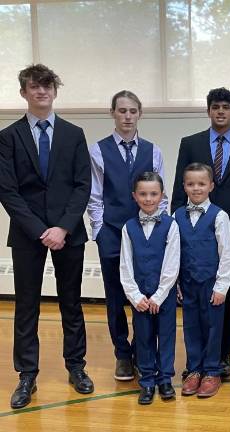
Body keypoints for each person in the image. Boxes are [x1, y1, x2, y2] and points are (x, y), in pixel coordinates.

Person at [0, 64, 93, 409]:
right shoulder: (8, 137)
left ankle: (76, 367)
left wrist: (63, 227)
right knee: (27, 306)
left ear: (55, 91)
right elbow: (8, 191)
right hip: (28, 234)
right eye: (34, 87)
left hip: (68, 232)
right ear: (23, 92)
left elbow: (83, 185)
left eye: (47, 86)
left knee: (71, 302)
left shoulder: (74, 134)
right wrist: (41, 230)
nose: (41, 92)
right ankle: (26, 376)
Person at [171, 87, 230, 378]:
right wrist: (174, 228)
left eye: (226, 107)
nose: (220, 111)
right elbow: (177, 190)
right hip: (195, 231)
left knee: (227, 297)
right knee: (195, 301)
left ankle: (220, 356)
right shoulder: (190, 143)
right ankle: (195, 360)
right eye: (215, 107)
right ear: (208, 110)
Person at [87, 90, 168, 381]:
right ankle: (122, 354)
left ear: (140, 113)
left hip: (145, 234)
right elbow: (94, 196)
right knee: (115, 298)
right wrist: (99, 231)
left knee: (145, 293)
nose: (127, 117)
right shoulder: (98, 151)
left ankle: (142, 351)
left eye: (132, 111)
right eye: (122, 111)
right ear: (113, 113)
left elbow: (162, 195)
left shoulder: (153, 150)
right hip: (111, 232)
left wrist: (160, 229)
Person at [119, 172, 179, 405]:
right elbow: (125, 264)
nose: (148, 199)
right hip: (140, 297)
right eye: (143, 194)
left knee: (166, 336)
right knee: (143, 337)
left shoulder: (171, 226)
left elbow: (172, 263)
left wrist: (160, 294)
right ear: (134, 196)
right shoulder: (129, 228)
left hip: (164, 295)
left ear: (161, 195)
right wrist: (135, 296)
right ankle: (147, 382)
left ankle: (165, 379)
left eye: (153, 194)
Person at [175, 163, 230, 398]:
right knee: (191, 326)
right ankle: (195, 369)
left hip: (211, 282)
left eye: (201, 184)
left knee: (212, 327)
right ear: (184, 186)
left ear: (211, 185)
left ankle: (211, 370)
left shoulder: (219, 216)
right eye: (191, 184)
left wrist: (222, 286)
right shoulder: (176, 215)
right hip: (187, 282)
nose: (196, 188)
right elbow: (174, 252)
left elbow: (226, 253)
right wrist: (176, 282)